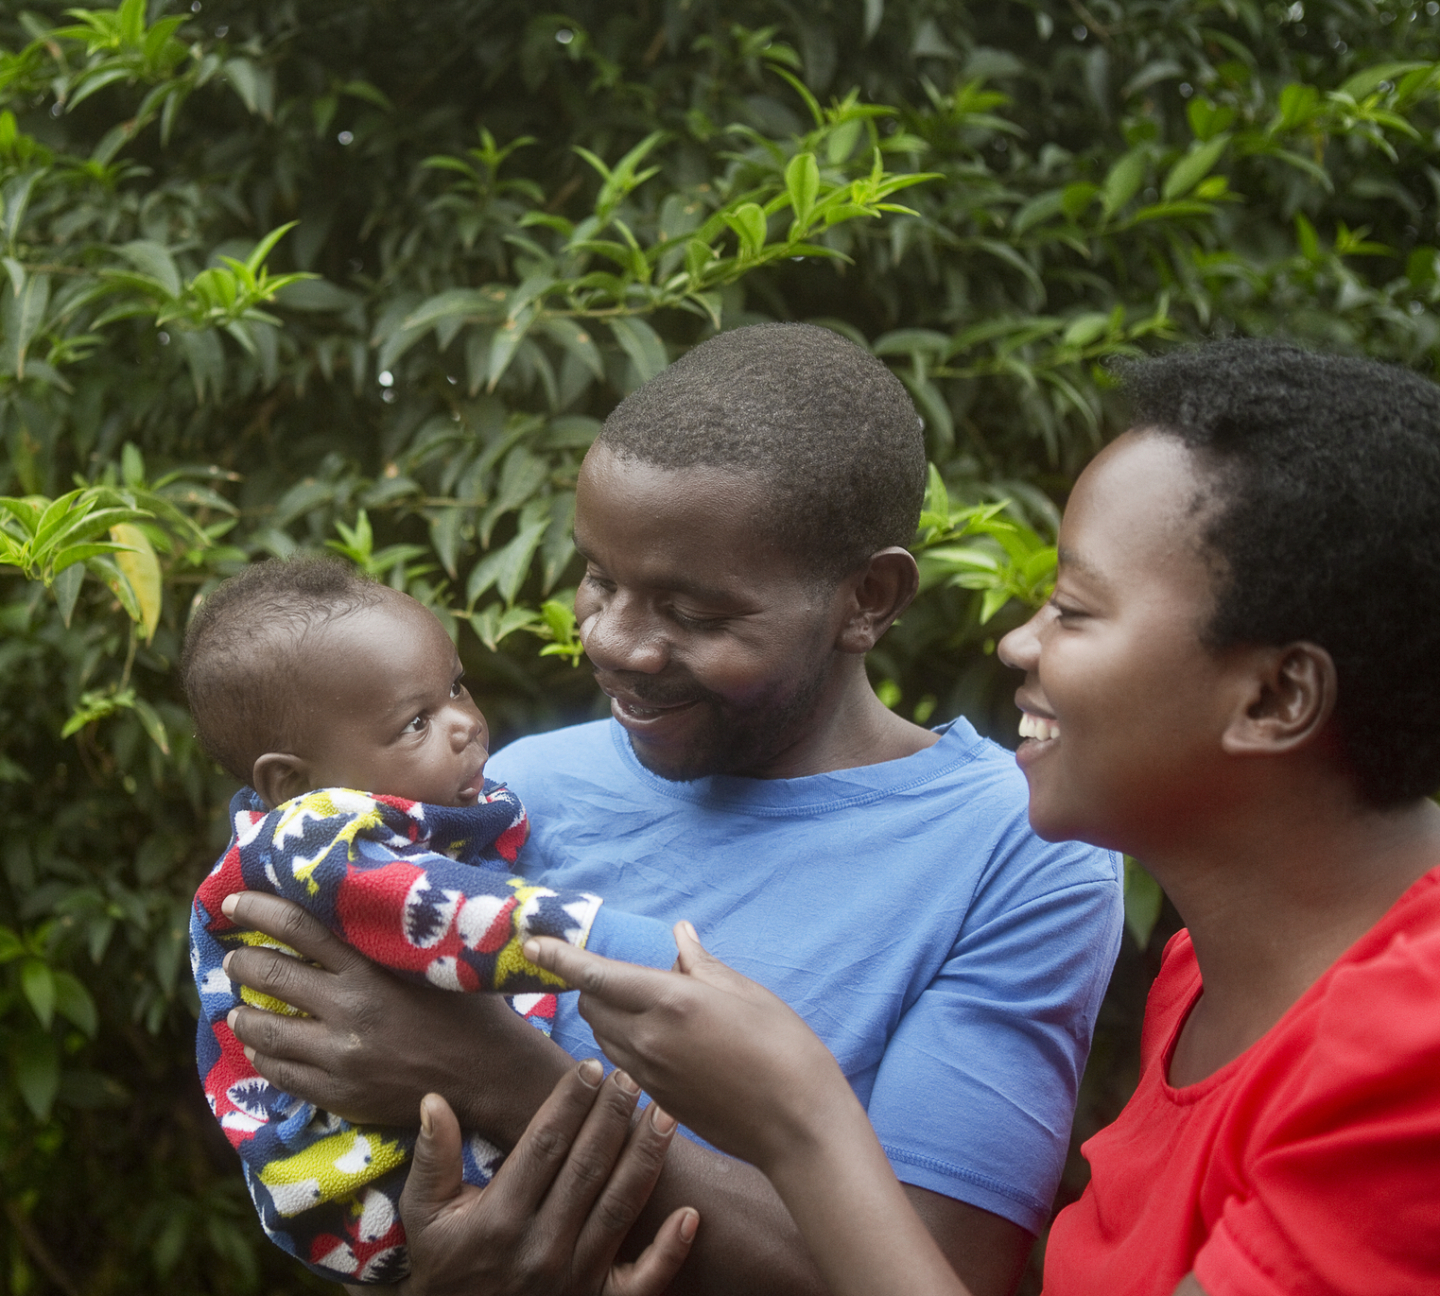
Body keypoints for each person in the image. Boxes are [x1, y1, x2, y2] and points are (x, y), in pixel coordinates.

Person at [220, 322, 1125, 1296]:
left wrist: (508, 1076)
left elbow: (938, 1275)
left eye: (693, 614)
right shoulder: (505, 794)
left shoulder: (1018, 848)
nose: (616, 642)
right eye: (599, 579)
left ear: (868, 597)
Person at [523, 339, 1440, 1296]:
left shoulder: (1412, 1054)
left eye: (1076, 612)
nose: (1017, 642)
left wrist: (799, 1121)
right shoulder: (1210, 973)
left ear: (1274, 698)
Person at [184, 558, 688, 1283]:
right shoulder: (310, 841)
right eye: (416, 721)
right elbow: (453, 919)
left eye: (455, 686)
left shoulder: (368, 821)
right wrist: (631, 951)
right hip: (367, 1187)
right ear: (290, 781)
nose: (465, 725)